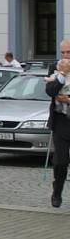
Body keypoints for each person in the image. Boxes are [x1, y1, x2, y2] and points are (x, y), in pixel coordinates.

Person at [45, 39, 70, 207]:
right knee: (61, 161)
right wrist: (61, 75)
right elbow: (50, 91)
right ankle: (57, 191)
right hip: (61, 120)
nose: (65, 56)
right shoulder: (55, 67)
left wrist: (68, 99)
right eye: (63, 53)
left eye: (69, 53)